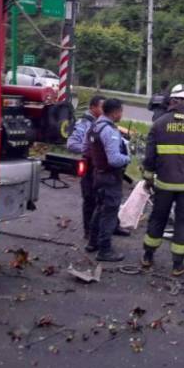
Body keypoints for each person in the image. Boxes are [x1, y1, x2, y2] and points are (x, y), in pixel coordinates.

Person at [141, 84, 184, 276]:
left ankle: (147, 257)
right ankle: (177, 265)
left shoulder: (159, 124)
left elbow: (150, 157)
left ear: (171, 101)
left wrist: (148, 179)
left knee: (157, 219)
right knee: (183, 223)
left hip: (164, 184)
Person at [85, 98, 131, 262]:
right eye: (121, 111)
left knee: (99, 209)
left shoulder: (95, 126)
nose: (121, 114)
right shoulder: (109, 130)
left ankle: (92, 242)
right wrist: (128, 157)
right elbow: (114, 159)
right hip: (110, 177)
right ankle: (105, 250)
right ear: (116, 112)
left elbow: (87, 149)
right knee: (109, 213)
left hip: (98, 174)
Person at [66, 95, 105, 239]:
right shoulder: (85, 123)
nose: (104, 110)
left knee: (105, 198)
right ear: (92, 108)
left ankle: (109, 227)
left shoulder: (102, 122)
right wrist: (90, 149)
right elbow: (71, 144)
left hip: (101, 167)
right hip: (89, 166)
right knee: (90, 199)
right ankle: (88, 231)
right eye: (101, 106)